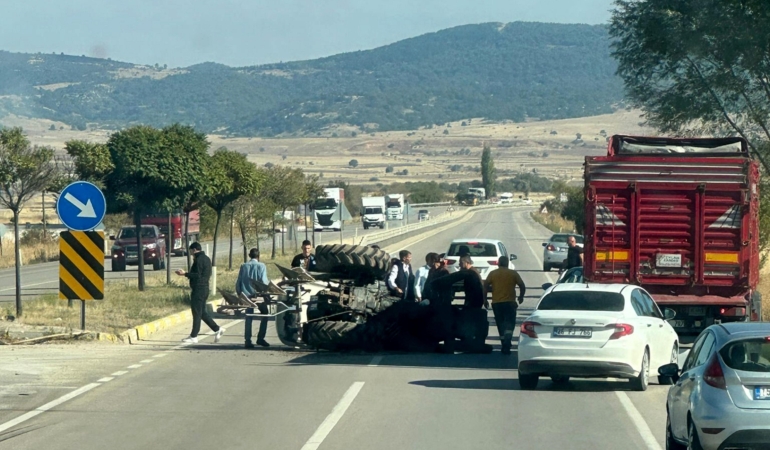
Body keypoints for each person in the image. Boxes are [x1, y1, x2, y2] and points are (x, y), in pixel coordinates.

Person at [175, 242, 224, 344]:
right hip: (204, 288)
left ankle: (194, 336)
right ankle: (217, 329)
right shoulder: (206, 258)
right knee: (202, 313)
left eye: (191, 252)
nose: (191, 254)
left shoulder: (199, 260)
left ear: (194, 250)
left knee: (196, 312)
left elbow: (197, 275)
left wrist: (185, 274)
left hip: (199, 289)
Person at [484, 256, 526, 355]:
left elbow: (485, 285)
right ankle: (508, 339)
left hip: (497, 303)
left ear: (498, 263)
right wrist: (521, 296)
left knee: (500, 323)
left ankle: (504, 342)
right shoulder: (513, 273)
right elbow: (522, 285)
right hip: (510, 303)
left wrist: (484, 299)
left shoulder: (493, 274)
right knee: (510, 323)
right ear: (507, 263)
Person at [236, 248, 271, 347]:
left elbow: (238, 282)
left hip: (246, 296)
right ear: (258, 256)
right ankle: (260, 338)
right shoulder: (261, 266)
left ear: (249, 255)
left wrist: (240, 294)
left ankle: (247, 340)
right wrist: (267, 294)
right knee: (265, 314)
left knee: (248, 316)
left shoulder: (244, 266)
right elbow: (264, 282)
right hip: (258, 296)